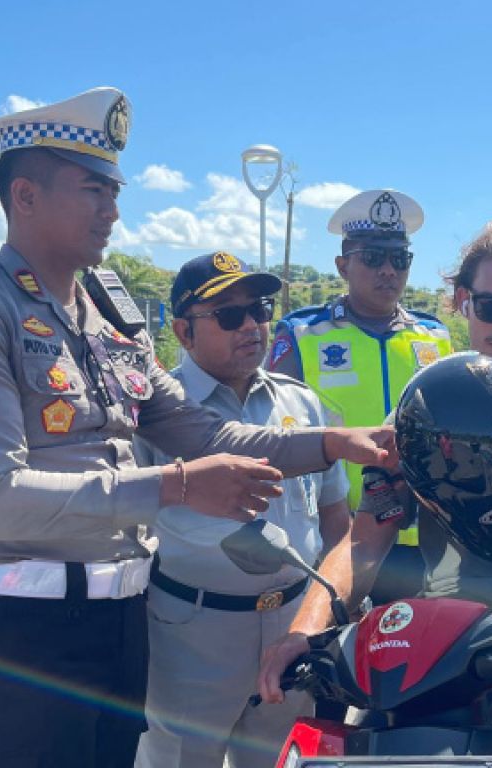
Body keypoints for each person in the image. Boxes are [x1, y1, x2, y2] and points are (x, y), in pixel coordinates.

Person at [0, 88, 391, 767]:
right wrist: (178, 486)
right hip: (25, 634)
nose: (113, 210)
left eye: (114, 191)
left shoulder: (107, 320)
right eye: (93, 190)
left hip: (122, 624)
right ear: (26, 196)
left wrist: (333, 442)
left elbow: (204, 433)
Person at [258, 219, 492, 726]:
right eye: (490, 306)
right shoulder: (423, 412)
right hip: (434, 644)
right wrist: (303, 631)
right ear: (463, 300)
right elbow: (366, 540)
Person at [134, 253, 351, 768]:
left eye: (259, 309)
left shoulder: (302, 406)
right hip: (193, 632)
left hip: (293, 626)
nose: (252, 325)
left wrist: (322, 617)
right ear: (184, 332)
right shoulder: (152, 412)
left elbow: (338, 525)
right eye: (230, 316)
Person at [267, 188, 452, 602]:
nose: (388, 270)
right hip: (335, 537)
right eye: (372, 258)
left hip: (420, 539)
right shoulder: (302, 334)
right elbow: (277, 434)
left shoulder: (435, 336)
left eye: (399, 259)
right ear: (342, 265)